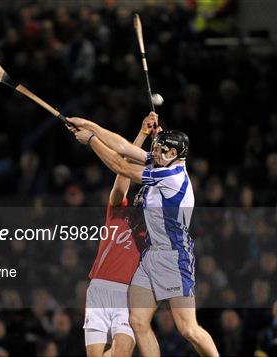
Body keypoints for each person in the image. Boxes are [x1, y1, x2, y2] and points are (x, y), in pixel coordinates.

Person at [68, 113, 219, 357]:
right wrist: (87, 124)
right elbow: (123, 147)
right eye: (157, 149)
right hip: (152, 255)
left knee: (188, 329)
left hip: (174, 256)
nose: (157, 155)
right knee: (138, 322)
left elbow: (121, 166)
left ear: (176, 155)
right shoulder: (163, 161)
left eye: (163, 151)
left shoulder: (172, 176)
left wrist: (92, 140)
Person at [83, 114, 154, 357]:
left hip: (128, 295)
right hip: (99, 289)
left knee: (122, 353)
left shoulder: (154, 231)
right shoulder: (117, 211)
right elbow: (122, 171)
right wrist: (142, 135)